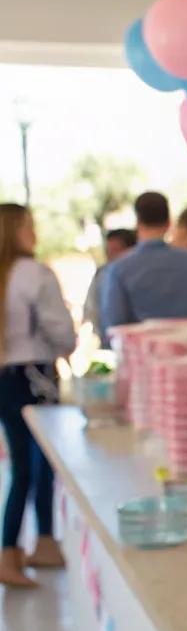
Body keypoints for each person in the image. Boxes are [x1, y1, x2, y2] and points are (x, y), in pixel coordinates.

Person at [0, 203, 76, 587]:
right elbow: (62, 333)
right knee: (39, 463)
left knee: (21, 465)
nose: (36, 233)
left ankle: (28, 546)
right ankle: (24, 546)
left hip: (5, 376)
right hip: (34, 375)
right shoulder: (34, 275)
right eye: (30, 226)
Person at [99, 191, 187, 342]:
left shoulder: (119, 269)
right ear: (169, 222)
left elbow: (114, 326)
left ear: (137, 222)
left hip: (141, 359)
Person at [82, 227, 136, 335]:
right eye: (108, 251)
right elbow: (90, 311)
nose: (110, 256)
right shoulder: (101, 275)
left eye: (116, 251)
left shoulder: (138, 275)